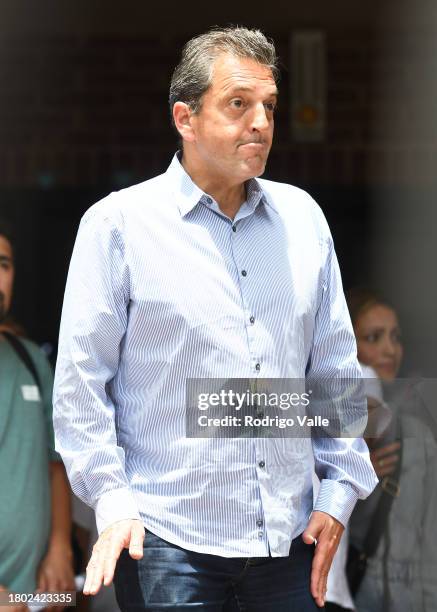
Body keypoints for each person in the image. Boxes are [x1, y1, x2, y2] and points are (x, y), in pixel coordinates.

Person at [53, 27, 377, 611]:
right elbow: (81, 387)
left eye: (270, 107)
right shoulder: (118, 226)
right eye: (238, 104)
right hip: (166, 545)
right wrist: (113, 501)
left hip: (289, 544)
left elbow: (335, 374)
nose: (261, 122)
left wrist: (337, 495)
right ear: (185, 117)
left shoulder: (304, 221)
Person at [0, 218, 75, 610]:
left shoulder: (32, 362)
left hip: (31, 593)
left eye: (4, 264)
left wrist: (60, 548)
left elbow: (54, 463)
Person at [347, 288, 437, 611]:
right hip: (355, 592)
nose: (390, 349)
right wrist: (354, 471)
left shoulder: (417, 426)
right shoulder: (333, 420)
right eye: (373, 337)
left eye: (395, 337)